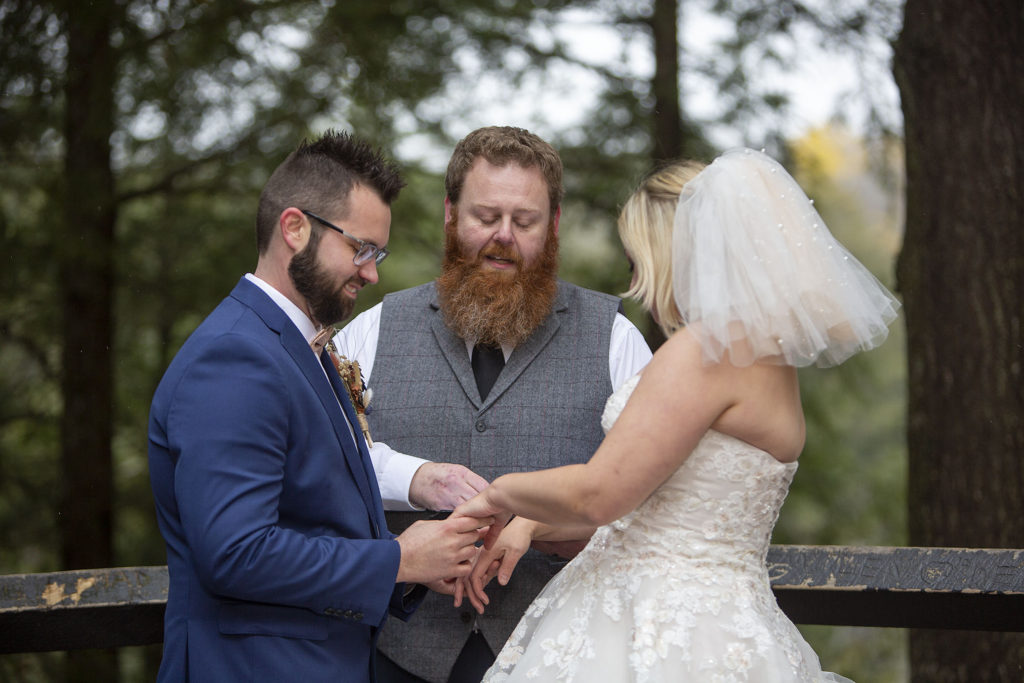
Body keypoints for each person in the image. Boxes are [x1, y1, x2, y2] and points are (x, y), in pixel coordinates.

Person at [452, 148, 901, 681]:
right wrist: (529, 522)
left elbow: (603, 493)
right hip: (731, 626)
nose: (636, 280)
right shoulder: (769, 361)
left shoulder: (705, 352)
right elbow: (656, 503)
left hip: (654, 624)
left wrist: (501, 492)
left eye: (637, 259)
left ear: (672, 250)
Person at [147, 130, 492, 683]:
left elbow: (317, 513)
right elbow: (236, 553)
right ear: (295, 227)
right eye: (360, 249)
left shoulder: (297, 345)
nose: (371, 272)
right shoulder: (236, 357)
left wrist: (414, 565)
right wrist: (399, 559)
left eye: (377, 254)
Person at [332, 126, 652, 682]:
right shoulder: (373, 331)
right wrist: (413, 479)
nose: (503, 236)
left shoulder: (616, 340)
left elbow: (651, 502)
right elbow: (327, 466)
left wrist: (562, 531)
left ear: (552, 227)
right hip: (394, 658)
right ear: (451, 215)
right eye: (485, 217)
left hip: (566, 657)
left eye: (524, 222)